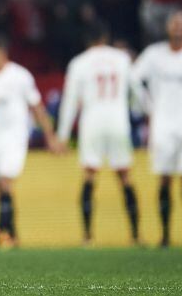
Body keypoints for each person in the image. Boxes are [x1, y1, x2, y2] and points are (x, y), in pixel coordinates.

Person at [0, 33, 60, 250]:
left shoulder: (20, 76)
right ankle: (11, 232)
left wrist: (50, 136)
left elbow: (36, 107)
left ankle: (2, 232)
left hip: (14, 137)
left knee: (5, 181)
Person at [130, 10, 182, 247]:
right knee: (164, 179)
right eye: (174, 23)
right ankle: (165, 234)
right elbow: (132, 79)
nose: (177, 27)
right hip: (163, 127)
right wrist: (148, 107)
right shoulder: (154, 55)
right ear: (167, 28)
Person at [57, 24, 139, 246]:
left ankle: (87, 236)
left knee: (89, 176)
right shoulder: (121, 58)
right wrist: (147, 113)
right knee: (124, 177)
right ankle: (135, 235)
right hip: (117, 122)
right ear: (106, 37)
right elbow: (137, 91)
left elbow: (70, 100)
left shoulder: (79, 63)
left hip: (92, 123)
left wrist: (63, 135)